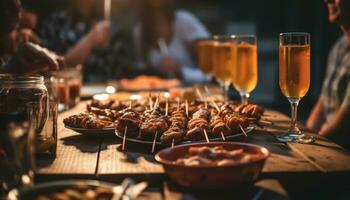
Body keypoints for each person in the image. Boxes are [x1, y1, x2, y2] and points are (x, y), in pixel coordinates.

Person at [38, 0, 130, 82]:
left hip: (108, 94)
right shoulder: (55, 23)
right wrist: (90, 40)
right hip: (66, 95)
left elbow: (119, 73)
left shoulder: (108, 23)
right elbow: (52, 69)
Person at [307, 0, 350, 148]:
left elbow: (343, 127)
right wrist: (306, 135)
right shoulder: (339, 46)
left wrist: (311, 146)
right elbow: (323, 102)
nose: (327, 0)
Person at [133, 0, 210, 83]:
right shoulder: (140, 31)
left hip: (194, 90)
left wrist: (181, 71)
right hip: (156, 92)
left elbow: (211, 74)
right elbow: (141, 72)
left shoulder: (184, 22)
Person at [0, 0, 62, 74]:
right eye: (6, 6)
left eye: (19, 6)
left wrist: (52, 57)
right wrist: (7, 70)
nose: (17, 14)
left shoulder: (24, 37)